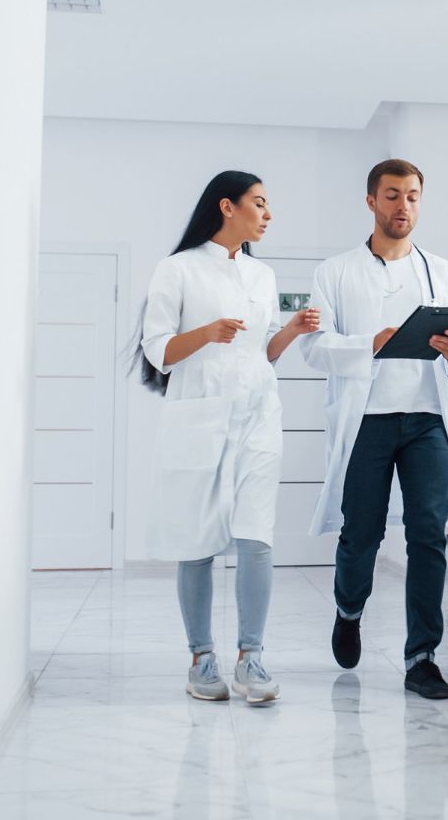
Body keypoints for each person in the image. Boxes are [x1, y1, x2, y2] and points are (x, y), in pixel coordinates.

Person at [138, 170, 321, 704]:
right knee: (195, 539)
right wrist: (206, 333)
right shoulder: (177, 269)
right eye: (259, 203)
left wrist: (292, 330)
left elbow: (263, 352)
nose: (267, 214)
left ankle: (251, 659)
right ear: (227, 207)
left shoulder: (262, 275)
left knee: (257, 535)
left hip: (258, 416)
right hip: (200, 415)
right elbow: (158, 351)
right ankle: (201, 659)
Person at [299, 158, 448, 700]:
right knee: (362, 534)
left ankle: (422, 657)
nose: (404, 206)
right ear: (372, 201)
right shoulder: (334, 272)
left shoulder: (442, 271)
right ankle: (349, 609)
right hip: (366, 423)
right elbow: (313, 348)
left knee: (428, 536)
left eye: (413, 196)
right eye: (394, 195)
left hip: (427, 420)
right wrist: (368, 344)